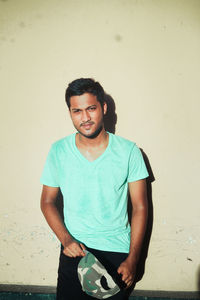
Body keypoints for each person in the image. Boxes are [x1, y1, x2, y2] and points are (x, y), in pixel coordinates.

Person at [40, 78, 149, 300]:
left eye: (91, 108)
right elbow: (47, 201)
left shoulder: (129, 151)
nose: (85, 118)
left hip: (116, 254)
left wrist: (133, 259)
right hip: (75, 251)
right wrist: (66, 240)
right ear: (70, 113)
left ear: (103, 108)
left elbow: (140, 207)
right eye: (77, 111)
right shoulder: (58, 150)